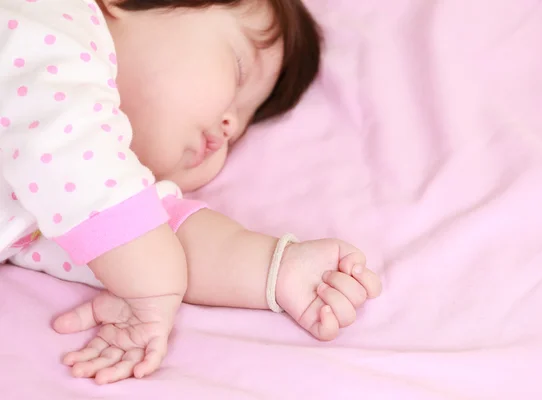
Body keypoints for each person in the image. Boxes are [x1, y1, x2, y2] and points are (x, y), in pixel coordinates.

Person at [0, 0, 382, 384]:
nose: (231, 125)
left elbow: (142, 238)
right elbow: (73, 157)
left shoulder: (87, 200)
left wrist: (276, 269)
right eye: (238, 70)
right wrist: (151, 287)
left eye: (245, 119)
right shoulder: (47, 25)